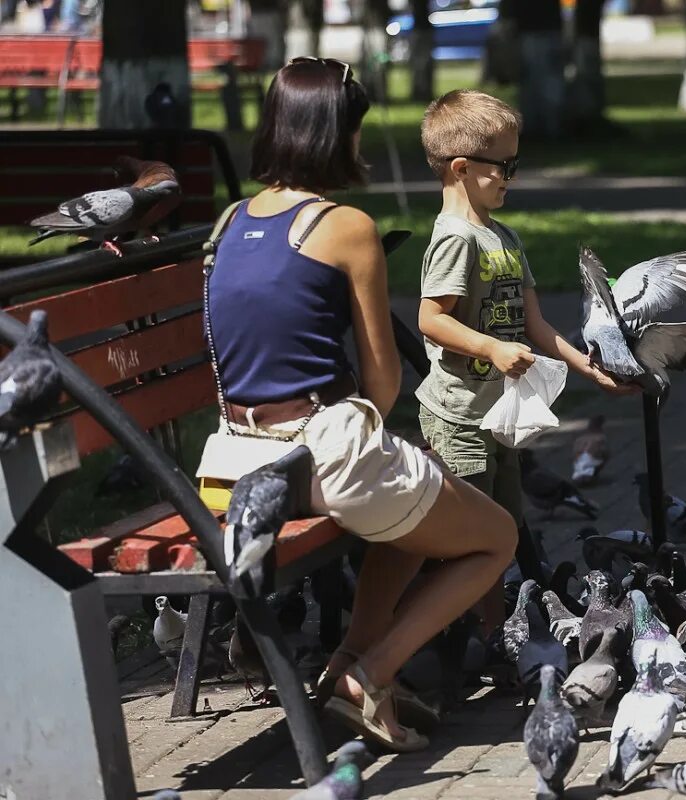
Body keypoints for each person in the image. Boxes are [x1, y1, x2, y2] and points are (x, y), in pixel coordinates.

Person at [206, 59, 517, 753]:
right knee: (496, 536)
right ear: (336, 134)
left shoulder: (230, 220)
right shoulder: (346, 225)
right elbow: (382, 386)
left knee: (419, 477)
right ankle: (371, 673)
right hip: (319, 460)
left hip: (233, 458)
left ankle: (345, 664)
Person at [415, 89, 635, 640]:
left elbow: (536, 325)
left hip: (499, 415)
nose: (512, 176)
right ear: (462, 168)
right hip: (460, 416)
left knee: (503, 528)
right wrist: (489, 348)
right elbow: (430, 319)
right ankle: (469, 633)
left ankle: (493, 630)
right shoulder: (455, 240)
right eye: (504, 166)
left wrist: (590, 367)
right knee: (470, 533)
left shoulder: (504, 237)